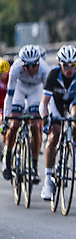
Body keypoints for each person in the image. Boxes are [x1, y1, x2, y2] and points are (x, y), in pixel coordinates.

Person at [40, 45, 76, 200]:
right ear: (60, 65)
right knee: (54, 135)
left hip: (74, 101)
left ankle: (74, 147)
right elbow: (44, 103)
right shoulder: (53, 75)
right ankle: (47, 180)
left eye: (72, 65)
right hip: (56, 103)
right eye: (66, 65)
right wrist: (46, 120)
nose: (70, 69)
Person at [2, 45, 51, 183]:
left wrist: (48, 117)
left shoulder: (45, 69)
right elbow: (9, 96)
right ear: (22, 64)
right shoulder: (15, 69)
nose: (30, 69)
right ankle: (8, 156)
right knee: (14, 124)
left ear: (38, 63)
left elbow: (49, 98)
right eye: (27, 66)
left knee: (36, 126)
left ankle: (34, 167)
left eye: (33, 65)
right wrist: (6, 117)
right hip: (20, 90)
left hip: (36, 91)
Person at [0, 58, 10, 162]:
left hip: (6, 104)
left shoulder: (10, 78)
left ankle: (5, 145)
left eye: (4, 74)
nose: (2, 77)